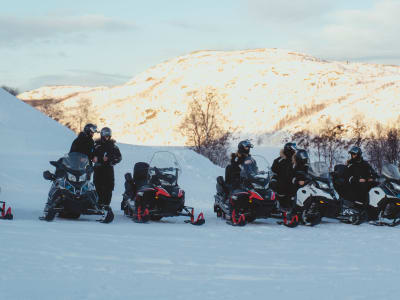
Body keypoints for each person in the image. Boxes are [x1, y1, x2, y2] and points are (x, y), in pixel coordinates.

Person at [93, 127, 122, 206]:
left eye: (108, 136)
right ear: (102, 135)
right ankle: (98, 205)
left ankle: (106, 205)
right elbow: (91, 156)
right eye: (105, 136)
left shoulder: (113, 146)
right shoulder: (96, 145)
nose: (107, 137)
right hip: (98, 169)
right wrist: (98, 159)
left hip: (108, 169)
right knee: (98, 186)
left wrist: (110, 159)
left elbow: (119, 157)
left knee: (108, 188)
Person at [270, 142, 297, 210]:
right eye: (293, 149)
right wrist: (273, 180)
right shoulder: (279, 160)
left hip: (293, 183)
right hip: (281, 183)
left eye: (294, 150)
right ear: (288, 149)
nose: (294, 151)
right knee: (282, 193)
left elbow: (301, 169)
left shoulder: (296, 160)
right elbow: (273, 172)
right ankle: (281, 208)